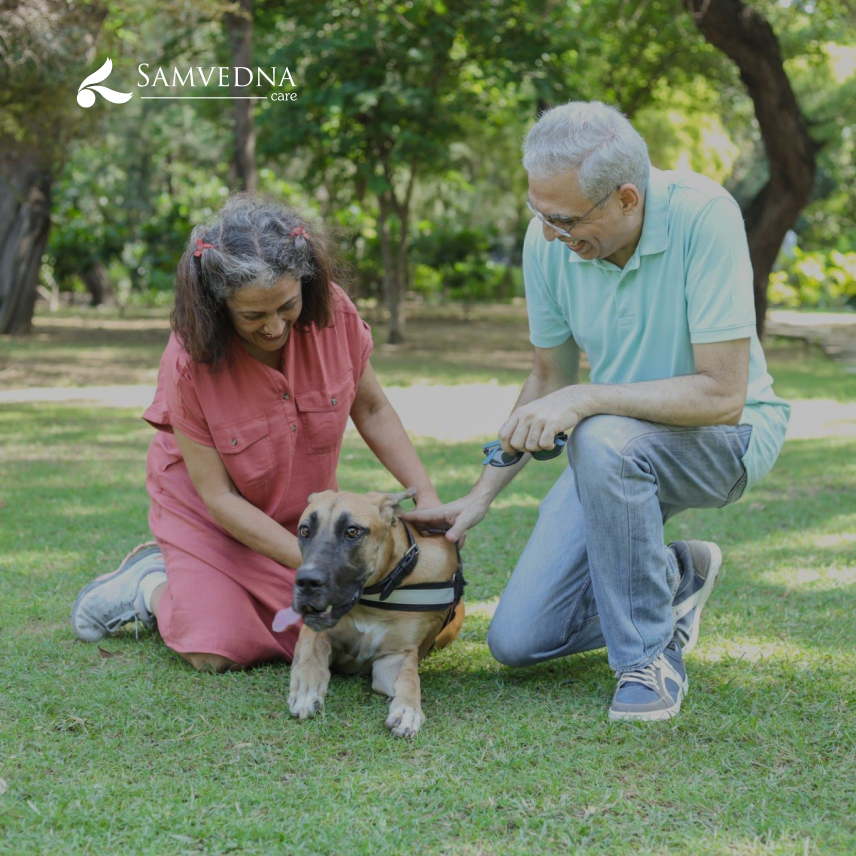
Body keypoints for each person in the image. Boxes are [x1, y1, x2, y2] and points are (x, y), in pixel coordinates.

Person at [405, 101, 790, 722]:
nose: (550, 233)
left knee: (603, 434)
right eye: (539, 211)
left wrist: (588, 399)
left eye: (563, 218)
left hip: (727, 439)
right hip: (612, 453)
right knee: (518, 640)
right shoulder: (548, 241)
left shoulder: (704, 215)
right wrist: (481, 496)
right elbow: (549, 378)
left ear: (627, 199)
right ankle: (673, 576)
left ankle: (648, 658)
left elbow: (723, 394)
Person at [71, 195, 441, 671]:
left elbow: (370, 407)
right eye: (252, 316)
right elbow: (219, 499)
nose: (273, 327)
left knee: (339, 635)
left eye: (287, 305)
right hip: (209, 517)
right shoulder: (187, 363)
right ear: (218, 306)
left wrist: (426, 496)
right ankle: (147, 586)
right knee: (216, 649)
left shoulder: (336, 315)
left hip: (299, 523)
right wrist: (315, 564)